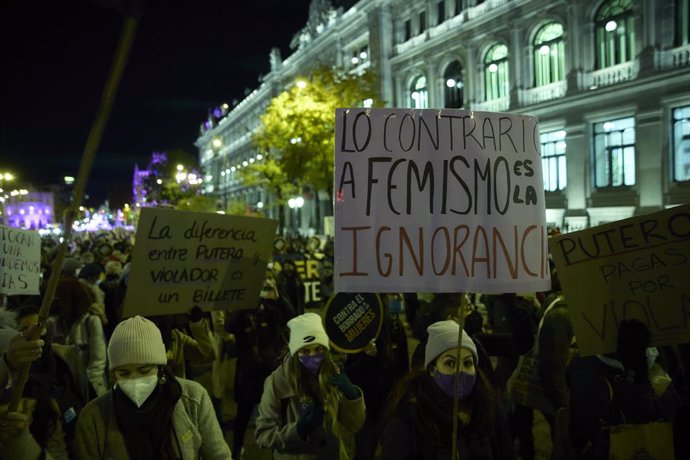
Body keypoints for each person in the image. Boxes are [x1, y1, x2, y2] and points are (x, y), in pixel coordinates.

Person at [74, 315, 231, 459]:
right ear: (114, 373)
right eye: (124, 373)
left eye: (144, 370)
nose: (135, 380)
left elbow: (218, 455)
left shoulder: (193, 398)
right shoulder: (93, 418)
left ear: (160, 368)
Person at [379, 320, 514, 460]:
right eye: (450, 363)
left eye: (468, 363)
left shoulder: (485, 408)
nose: (460, 370)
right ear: (432, 369)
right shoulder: (408, 420)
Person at [254, 312, 365, 459]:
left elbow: (354, 425)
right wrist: (299, 430)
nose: (313, 356)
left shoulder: (332, 373)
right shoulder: (276, 382)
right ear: (294, 352)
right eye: (305, 351)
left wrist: (352, 397)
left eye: (318, 349)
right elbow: (263, 435)